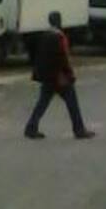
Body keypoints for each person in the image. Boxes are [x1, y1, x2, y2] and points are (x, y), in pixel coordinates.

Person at [24, 12, 95, 141]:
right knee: (72, 103)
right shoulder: (60, 37)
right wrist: (69, 75)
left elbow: (38, 57)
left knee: (42, 103)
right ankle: (79, 130)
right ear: (59, 21)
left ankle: (31, 127)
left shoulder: (44, 35)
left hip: (47, 77)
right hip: (60, 77)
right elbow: (64, 58)